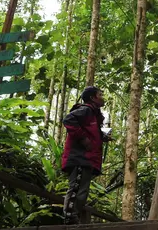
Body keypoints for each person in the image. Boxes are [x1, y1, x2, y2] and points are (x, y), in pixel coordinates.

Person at [61, 86, 109, 224]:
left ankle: (72, 217)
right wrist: (83, 139)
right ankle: (69, 217)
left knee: (82, 191)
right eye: (100, 94)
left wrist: (102, 136)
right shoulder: (86, 110)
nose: (102, 96)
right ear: (93, 98)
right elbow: (68, 120)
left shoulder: (94, 115)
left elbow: (90, 132)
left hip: (87, 159)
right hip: (79, 158)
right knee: (76, 188)